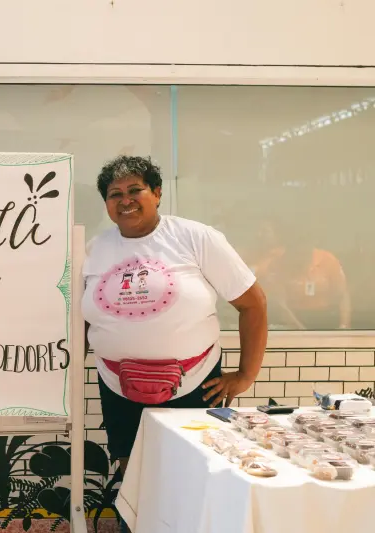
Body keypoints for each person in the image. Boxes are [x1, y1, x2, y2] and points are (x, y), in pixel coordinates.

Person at [82, 156, 268, 531]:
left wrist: (245, 374)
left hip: (195, 382)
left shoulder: (196, 238)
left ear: (157, 193)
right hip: (118, 384)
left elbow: (252, 304)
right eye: (115, 194)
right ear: (106, 204)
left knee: (194, 472)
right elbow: (81, 317)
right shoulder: (92, 249)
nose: (126, 199)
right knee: (132, 472)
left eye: (136, 189)